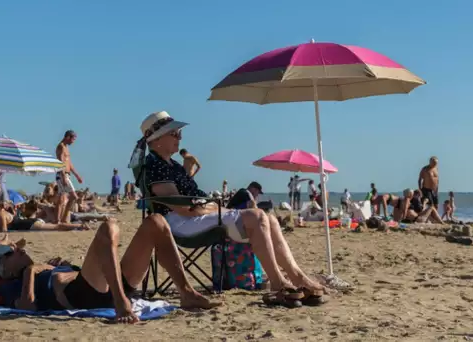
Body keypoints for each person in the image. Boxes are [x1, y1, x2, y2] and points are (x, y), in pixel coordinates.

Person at [138, 111, 342, 304]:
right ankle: (278, 283)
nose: (180, 137)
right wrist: (213, 207)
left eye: (179, 132)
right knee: (257, 217)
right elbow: (182, 206)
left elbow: (184, 195)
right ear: (157, 140)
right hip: (180, 223)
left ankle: (296, 277)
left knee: (268, 218)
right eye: (174, 133)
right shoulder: (154, 165)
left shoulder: (170, 165)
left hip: (195, 216)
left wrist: (188, 173)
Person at [0, 218, 219, 323]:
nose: (16, 249)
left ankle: (186, 292)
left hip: (105, 282)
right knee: (109, 227)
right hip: (84, 295)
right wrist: (32, 270)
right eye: (9, 253)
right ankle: (121, 302)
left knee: (156, 222)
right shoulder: (18, 282)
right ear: (7, 272)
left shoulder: (43, 267)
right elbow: (28, 306)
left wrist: (51, 265)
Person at [55, 130, 83, 223]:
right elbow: (61, 163)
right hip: (62, 175)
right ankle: (62, 218)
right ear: (67, 137)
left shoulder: (66, 147)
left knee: (61, 198)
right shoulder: (61, 147)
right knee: (73, 197)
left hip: (66, 174)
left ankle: (58, 219)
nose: (73, 142)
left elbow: (69, 164)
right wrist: (63, 177)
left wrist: (77, 175)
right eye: (72, 139)